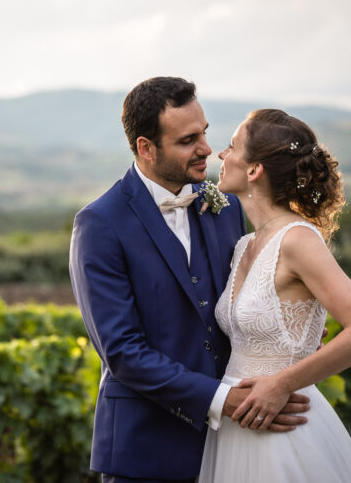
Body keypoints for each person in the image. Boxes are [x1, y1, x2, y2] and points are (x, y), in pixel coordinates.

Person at [69, 78, 311, 483]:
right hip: (145, 451)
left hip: (238, 445)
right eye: (187, 140)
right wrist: (224, 401)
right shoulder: (99, 224)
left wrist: (286, 334)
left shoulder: (226, 206)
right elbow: (124, 352)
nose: (205, 149)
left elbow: (246, 299)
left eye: (204, 133)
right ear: (146, 148)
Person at [198, 109, 351, 481]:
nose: (221, 155)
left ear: (255, 170)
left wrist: (283, 382)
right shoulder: (244, 246)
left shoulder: (298, 240)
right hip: (235, 425)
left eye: (232, 146)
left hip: (283, 424)